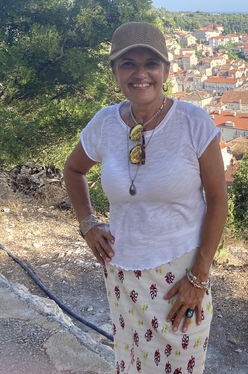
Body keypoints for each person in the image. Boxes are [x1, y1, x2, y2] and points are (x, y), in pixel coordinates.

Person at [64, 21, 227, 374]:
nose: (140, 74)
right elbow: (73, 170)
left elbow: (217, 200)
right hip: (123, 274)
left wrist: (199, 277)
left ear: (166, 70)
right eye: (128, 64)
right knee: (132, 363)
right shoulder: (104, 123)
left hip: (181, 277)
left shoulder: (193, 122)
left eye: (150, 63)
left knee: (182, 365)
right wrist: (88, 224)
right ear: (114, 72)